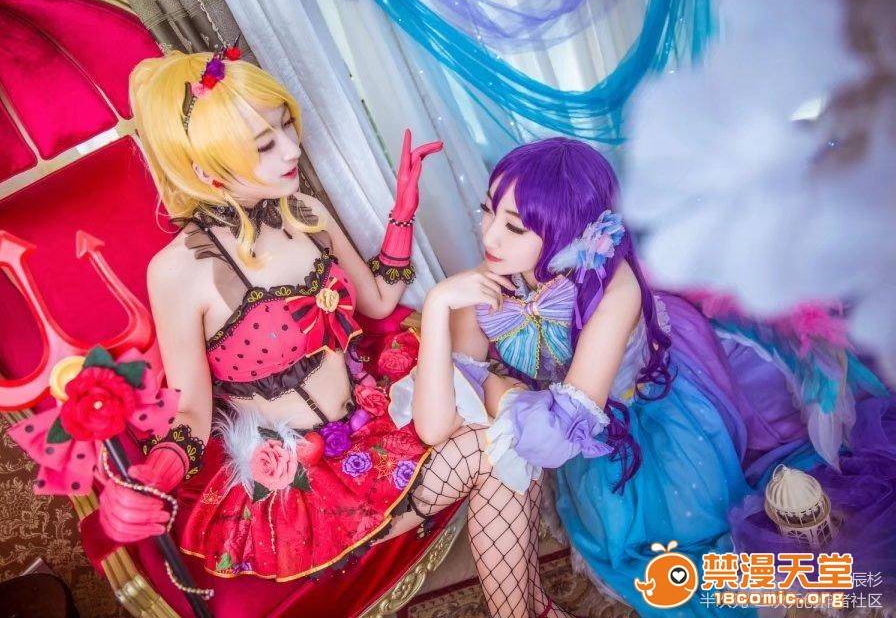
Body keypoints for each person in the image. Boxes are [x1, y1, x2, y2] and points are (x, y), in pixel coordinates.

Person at [95, 48, 570, 618]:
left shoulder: (303, 211)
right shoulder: (177, 272)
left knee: (507, 439)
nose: (292, 149)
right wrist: (154, 474)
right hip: (305, 484)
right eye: (264, 144)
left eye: (286, 125)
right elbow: (192, 408)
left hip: (372, 423)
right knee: (502, 447)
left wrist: (403, 208)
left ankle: (533, 609)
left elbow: (377, 299)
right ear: (205, 171)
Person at [404, 137, 896, 617]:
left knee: (676, 546)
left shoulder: (613, 289)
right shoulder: (480, 284)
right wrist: (438, 303)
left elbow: (559, 435)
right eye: (487, 211)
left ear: (565, 228)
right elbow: (435, 426)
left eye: (513, 226)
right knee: (508, 461)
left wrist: (495, 391)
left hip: (643, 418)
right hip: (564, 422)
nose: (489, 237)